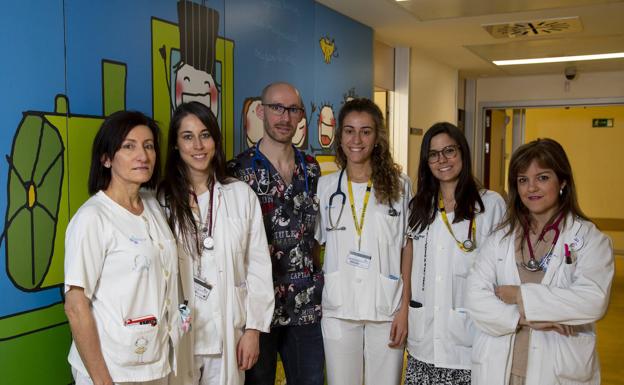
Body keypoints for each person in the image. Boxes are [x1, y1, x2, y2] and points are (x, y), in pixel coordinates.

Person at [466, 138, 614, 385]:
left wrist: (516, 295)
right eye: (523, 180)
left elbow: (592, 300)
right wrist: (526, 317)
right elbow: (474, 297)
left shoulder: (589, 238)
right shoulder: (500, 238)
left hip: (557, 369)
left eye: (542, 177)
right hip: (500, 366)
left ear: (563, 181)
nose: (531, 187)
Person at [160, 102, 274, 385]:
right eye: (187, 137)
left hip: (227, 329)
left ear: (215, 140)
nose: (198, 145)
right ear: (175, 144)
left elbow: (258, 266)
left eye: (205, 135)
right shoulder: (159, 201)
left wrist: (253, 330)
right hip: (180, 328)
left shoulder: (240, 195)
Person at [64, 111, 180, 385]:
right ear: (106, 158)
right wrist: (102, 380)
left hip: (155, 360)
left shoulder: (152, 206)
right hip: (111, 367)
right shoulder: (93, 218)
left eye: (148, 145)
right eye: (129, 146)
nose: (143, 155)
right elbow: (75, 305)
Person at [227, 82, 324, 385]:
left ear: (300, 116)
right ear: (261, 111)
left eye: (292, 109)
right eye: (276, 108)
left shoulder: (310, 168)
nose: (285, 117)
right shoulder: (238, 172)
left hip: (305, 307)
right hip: (257, 312)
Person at [315, 98, 412, 384]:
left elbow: (407, 247)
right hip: (339, 306)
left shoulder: (401, 185)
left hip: (387, 307)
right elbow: (316, 245)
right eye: (349, 130)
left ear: (377, 137)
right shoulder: (326, 186)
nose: (356, 139)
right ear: (340, 136)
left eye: (365, 131)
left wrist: (404, 309)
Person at [404, 122, 505, 385]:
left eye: (449, 151)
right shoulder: (418, 206)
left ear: (463, 153)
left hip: (468, 339)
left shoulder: (490, 204)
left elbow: (503, 269)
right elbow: (410, 260)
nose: (442, 160)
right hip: (423, 339)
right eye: (434, 154)